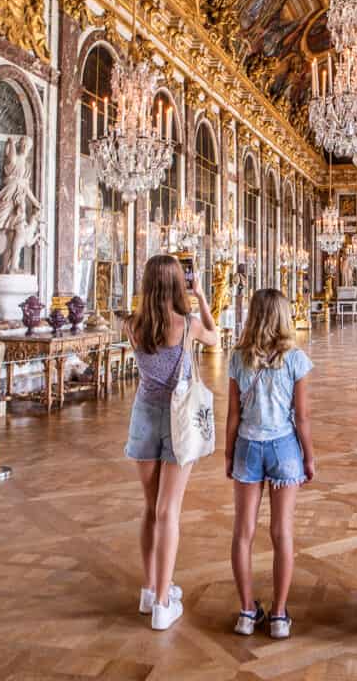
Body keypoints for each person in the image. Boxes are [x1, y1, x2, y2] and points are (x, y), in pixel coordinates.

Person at [124, 254, 218, 631]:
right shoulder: (189, 324)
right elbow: (215, 338)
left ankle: (150, 590)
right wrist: (201, 298)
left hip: (144, 417)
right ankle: (164, 603)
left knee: (150, 509)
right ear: (180, 285)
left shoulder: (132, 326)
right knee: (169, 512)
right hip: (178, 422)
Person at [225, 289, 314, 640]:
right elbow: (302, 418)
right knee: (282, 532)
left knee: (243, 533)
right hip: (284, 449)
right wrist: (308, 456)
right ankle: (278, 615)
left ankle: (247, 612)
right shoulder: (295, 359)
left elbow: (233, 415)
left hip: (247, 446)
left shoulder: (237, 358)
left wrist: (229, 454)